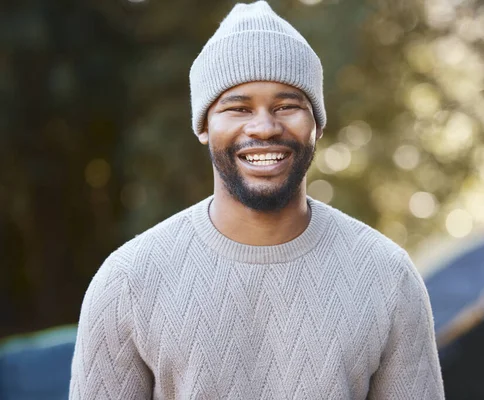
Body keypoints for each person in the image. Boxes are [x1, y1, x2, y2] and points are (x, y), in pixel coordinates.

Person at [69, 1, 445, 399]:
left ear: (317, 124)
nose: (264, 127)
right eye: (238, 108)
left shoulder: (388, 277)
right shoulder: (128, 282)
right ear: (203, 126)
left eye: (287, 106)